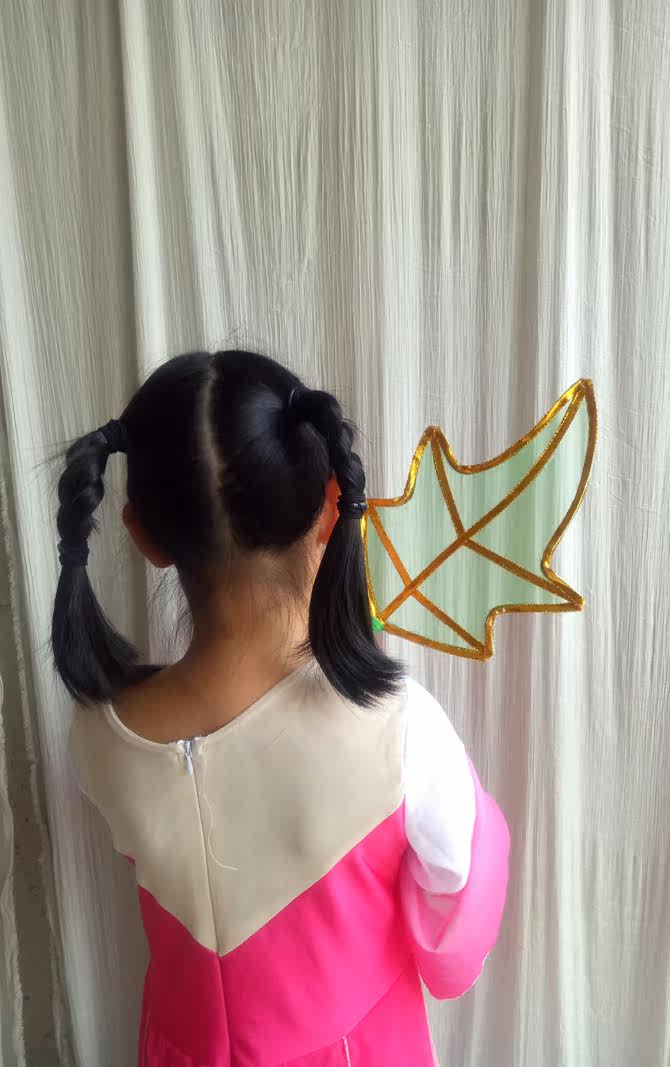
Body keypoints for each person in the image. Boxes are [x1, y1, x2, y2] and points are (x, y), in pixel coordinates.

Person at [53, 350, 510, 1067]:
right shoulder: (397, 727)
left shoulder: (97, 735)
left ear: (142, 535)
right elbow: (459, 900)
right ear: (331, 505)